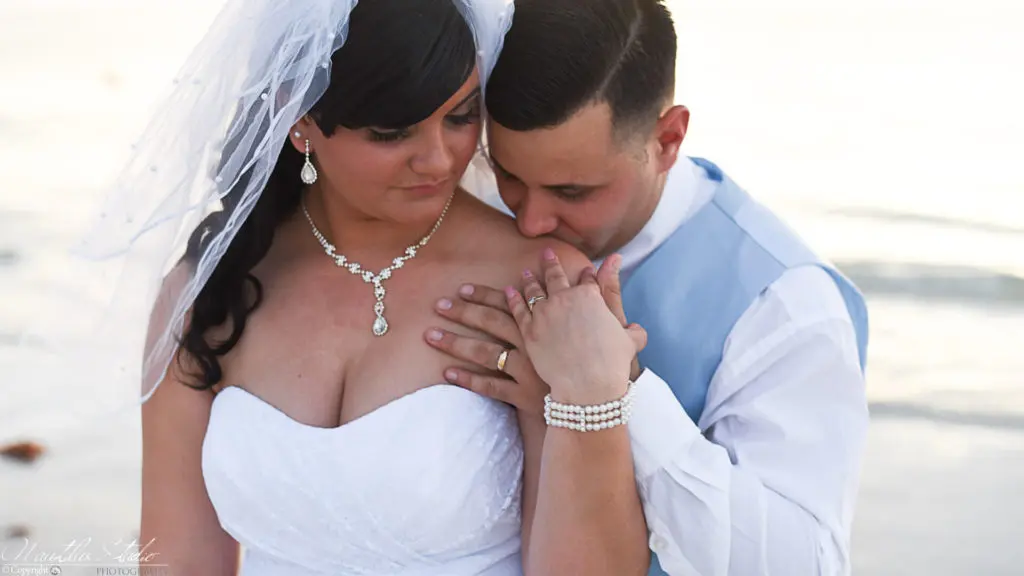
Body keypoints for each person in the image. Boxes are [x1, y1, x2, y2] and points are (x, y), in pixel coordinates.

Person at [52, 0, 653, 574]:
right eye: (393, 134)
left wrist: (585, 397)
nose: (439, 159)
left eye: (462, 116)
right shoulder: (208, 291)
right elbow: (179, 561)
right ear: (300, 121)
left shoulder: (541, 283)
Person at [426, 0, 871, 574]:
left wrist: (615, 391)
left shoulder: (786, 305)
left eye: (572, 191)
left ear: (668, 139)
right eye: (508, 173)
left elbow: (801, 564)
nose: (530, 221)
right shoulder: (467, 209)